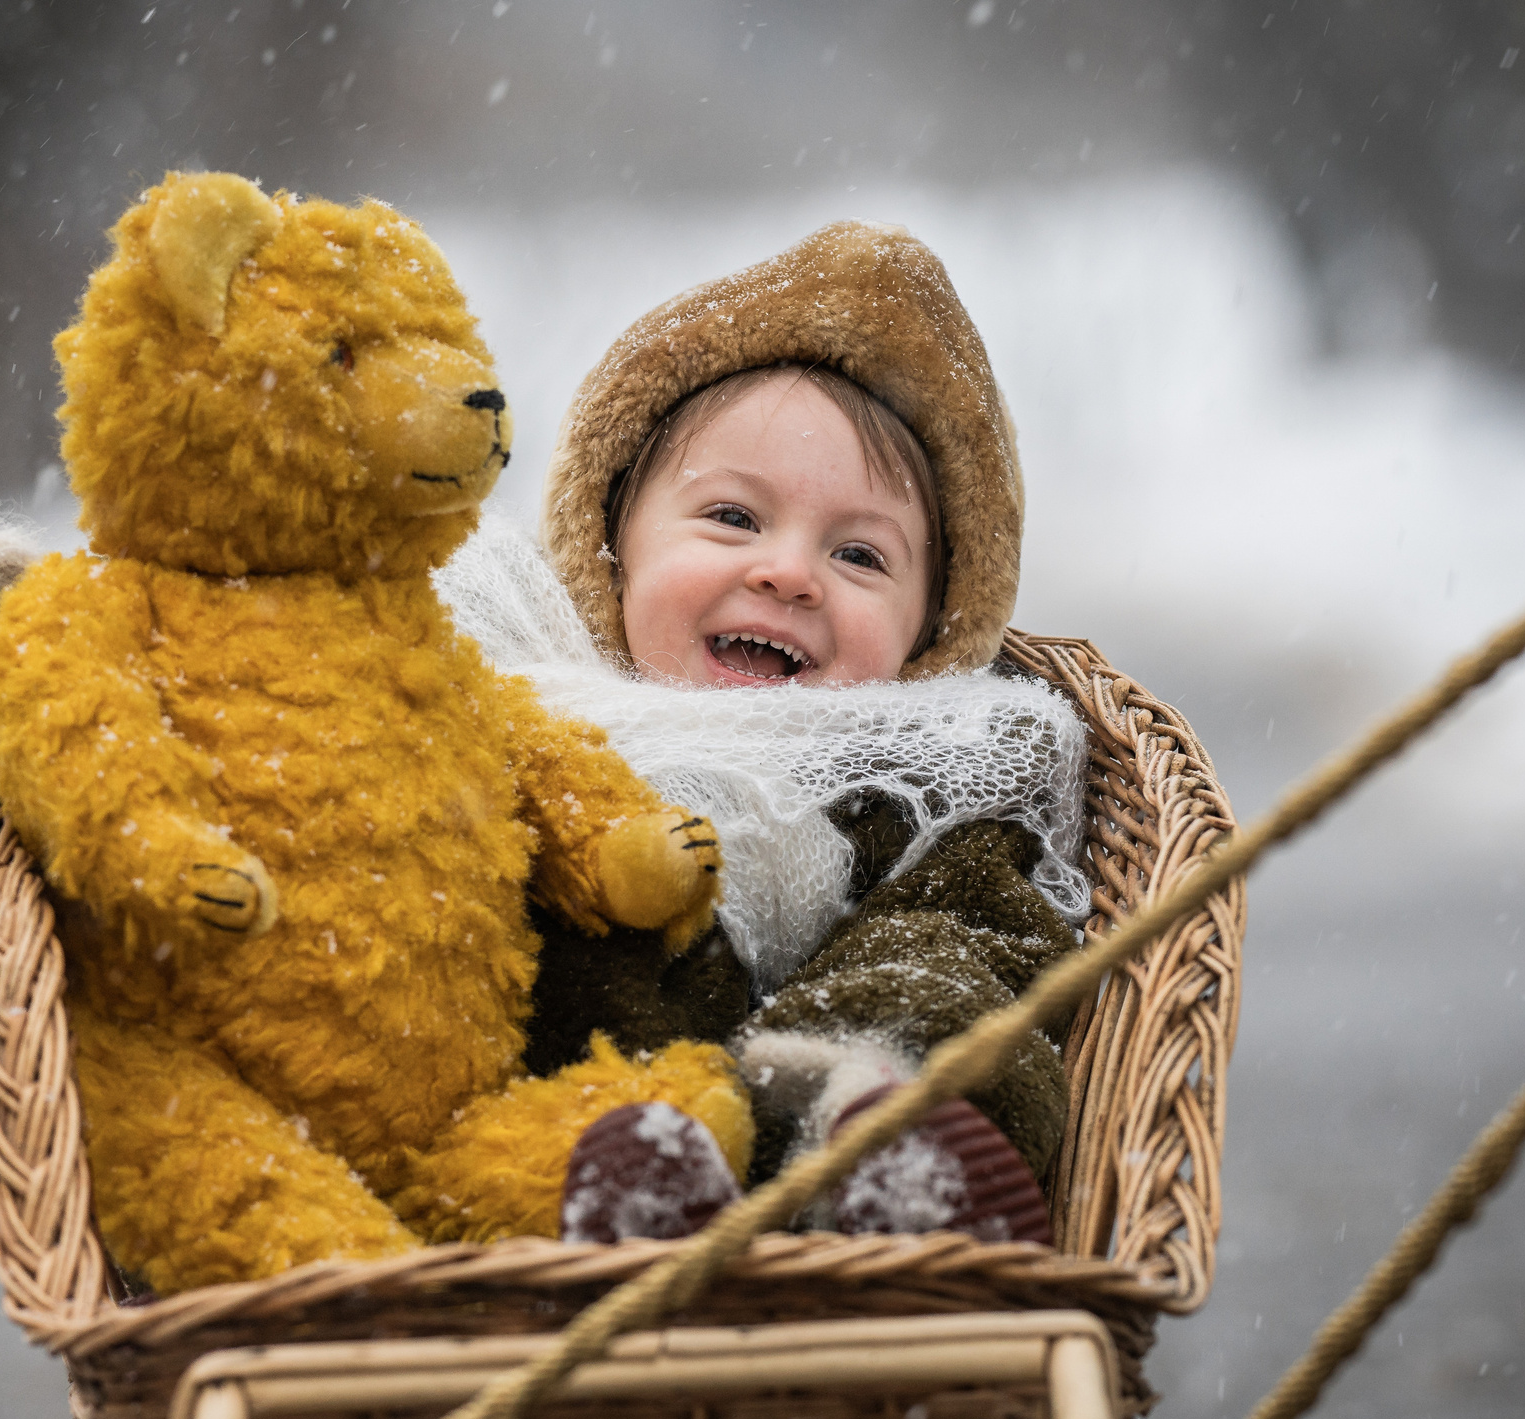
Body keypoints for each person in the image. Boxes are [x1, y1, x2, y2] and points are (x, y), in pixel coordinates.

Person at [433, 220, 1091, 1245]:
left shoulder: (922, 770)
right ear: (610, 550)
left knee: (959, 936)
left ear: (928, 633)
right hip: (552, 1129)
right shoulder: (532, 705)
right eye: (734, 519)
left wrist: (872, 1063)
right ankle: (626, 1173)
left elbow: (996, 950)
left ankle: (881, 1146)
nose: (788, 572)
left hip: (820, 1125)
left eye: (861, 557)